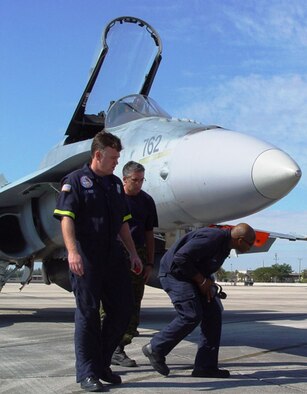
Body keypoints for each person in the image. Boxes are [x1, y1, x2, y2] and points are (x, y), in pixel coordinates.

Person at [53, 131, 142, 392]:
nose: (117, 162)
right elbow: (66, 218)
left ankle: (103, 363)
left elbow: (123, 224)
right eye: (113, 157)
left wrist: (133, 253)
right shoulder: (75, 181)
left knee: (123, 309)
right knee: (88, 314)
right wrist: (72, 252)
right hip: (87, 255)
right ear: (98, 155)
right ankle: (87, 372)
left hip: (113, 255)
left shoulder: (115, 184)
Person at [142, 223, 255, 378]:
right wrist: (201, 281)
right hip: (174, 274)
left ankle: (205, 367)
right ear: (240, 240)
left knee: (213, 314)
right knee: (191, 314)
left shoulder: (225, 245)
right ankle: (155, 348)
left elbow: (200, 263)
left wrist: (208, 283)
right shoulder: (213, 237)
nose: (250, 248)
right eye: (250, 244)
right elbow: (180, 258)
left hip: (191, 276)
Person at [110, 161, 158, 367]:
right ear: (124, 179)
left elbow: (150, 233)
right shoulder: (113, 198)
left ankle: (118, 347)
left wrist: (149, 262)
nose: (138, 184)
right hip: (114, 253)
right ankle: (108, 347)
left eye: (141, 180)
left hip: (137, 254)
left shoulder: (147, 201)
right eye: (134, 180)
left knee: (133, 303)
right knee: (111, 303)